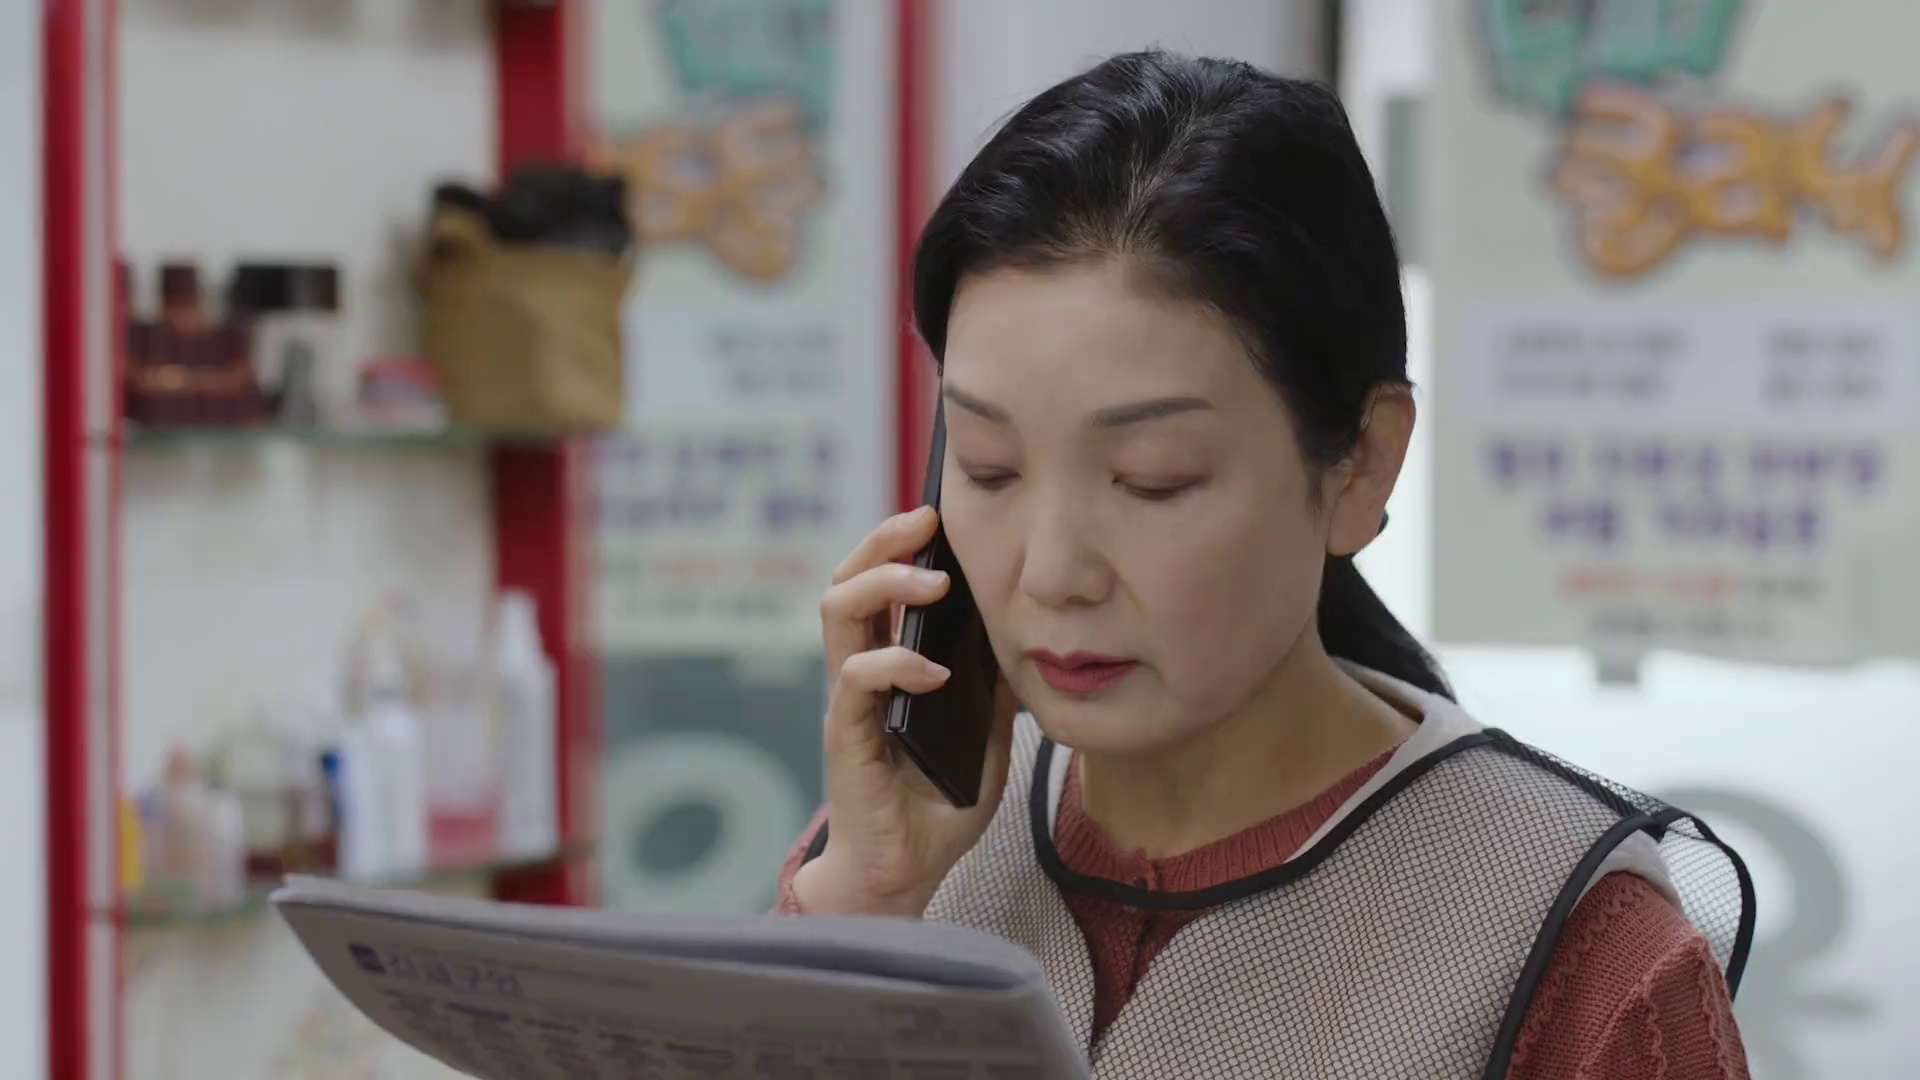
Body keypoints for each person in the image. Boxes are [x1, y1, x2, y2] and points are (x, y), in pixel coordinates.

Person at [774, 51, 1753, 1079]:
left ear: (1360, 463)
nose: (1052, 573)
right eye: (989, 467)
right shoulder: (907, 847)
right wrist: (863, 908)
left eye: (1153, 479)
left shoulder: (1575, 945)